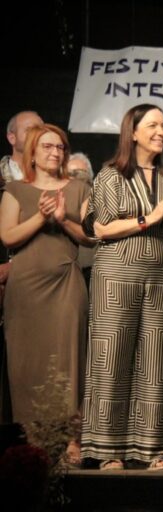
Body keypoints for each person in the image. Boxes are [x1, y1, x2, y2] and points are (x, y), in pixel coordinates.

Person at [80, 103, 163, 471]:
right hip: (117, 272)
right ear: (133, 132)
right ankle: (107, 450)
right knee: (112, 357)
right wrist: (150, 217)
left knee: (157, 361)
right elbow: (101, 228)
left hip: (162, 274)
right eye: (153, 125)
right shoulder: (111, 175)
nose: (161, 132)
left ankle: (152, 450)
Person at [0, 124, 92, 463]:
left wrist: (62, 218)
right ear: (33, 153)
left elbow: (90, 236)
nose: (55, 152)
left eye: (60, 147)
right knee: (28, 363)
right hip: (26, 288)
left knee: (70, 358)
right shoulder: (15, 190)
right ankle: (35, 442)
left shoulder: (79, 188)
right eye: (48, 147)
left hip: (65, 283)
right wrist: (41, 217)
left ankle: (72, 440)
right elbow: (8, 236)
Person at [0, 110, 44, 423]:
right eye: (29, 129)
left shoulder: (51, 179)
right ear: (11, 137)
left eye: (41, 129)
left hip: (35, 282)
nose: (36, 134)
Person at [66, 152, 96, 287]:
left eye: (80, 173)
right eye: (70, 173)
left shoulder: (96, 197)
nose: (75, 178)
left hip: (89, 268)